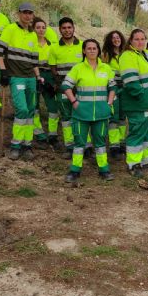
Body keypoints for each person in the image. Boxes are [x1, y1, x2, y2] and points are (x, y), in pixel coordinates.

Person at [61, 39, 117, 186]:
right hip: (81, 113)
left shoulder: (106, 68)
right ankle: (75, 170)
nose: (92, 50)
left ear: (98, 50)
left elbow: (113, 88)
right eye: (89, 48)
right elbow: (66, 85)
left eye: (94, 48)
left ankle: (104, 169)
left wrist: (109, 104)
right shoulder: (77, 68)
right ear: (84, 51)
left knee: (100, 142)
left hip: (101, 113)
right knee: (79, 143)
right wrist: (74, 102)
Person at [0, 2, 43, 160]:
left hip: (30, 78)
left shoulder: (33, 35)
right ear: (19, 13)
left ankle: (27, 145)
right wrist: (3, 70)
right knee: (21, 109)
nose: (27, 16)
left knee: (30, 111)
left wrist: (38, 77)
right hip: (16, 76)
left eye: (30, 13)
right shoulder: (10, 29)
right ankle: (15, 145)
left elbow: (34, 61)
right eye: (25, 12)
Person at [119, 29, 148, 178]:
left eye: (143, 39)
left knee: (147, 134)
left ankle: (147, 160)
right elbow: (131, 82)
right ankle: (133, 163)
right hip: (138, 103)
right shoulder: (127, 56)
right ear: (130, 41)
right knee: (137, 132)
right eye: (137, 39)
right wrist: (142, 97)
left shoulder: (144, 55)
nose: (140, 42)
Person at [48, 17, 83, 159]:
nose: (67, 30)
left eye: (69, 27)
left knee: (82, 117)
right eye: (64, 28)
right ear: (60, 30)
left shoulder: (83, 45)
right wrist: (61, 84)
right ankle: (69, 146)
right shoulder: (54, 47)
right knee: (66, 118)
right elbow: (53, 68)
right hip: (63, 89)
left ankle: (84, 146)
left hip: (81, 89)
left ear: (74, 28)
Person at [32, 17, 61, 150]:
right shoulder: (30, 43)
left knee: (52, 106)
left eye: (43, 27)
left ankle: (53, 134)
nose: (41, 30)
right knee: (34, 105)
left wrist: (55, 80)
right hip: (33, 75)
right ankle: (39, 133)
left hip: (49, 76)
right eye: (38, 27)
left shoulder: (52, 45)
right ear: (33, 29)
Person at [102, 30, 127, 159]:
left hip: (125, 89)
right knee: (113, 117)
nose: (116, 39)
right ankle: (114, 146)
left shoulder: (126, 54)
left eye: (118, 37)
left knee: (123, 117)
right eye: (113, 38)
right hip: (113, 89)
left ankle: (122, 142)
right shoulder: (106, 55)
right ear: (110, 41)